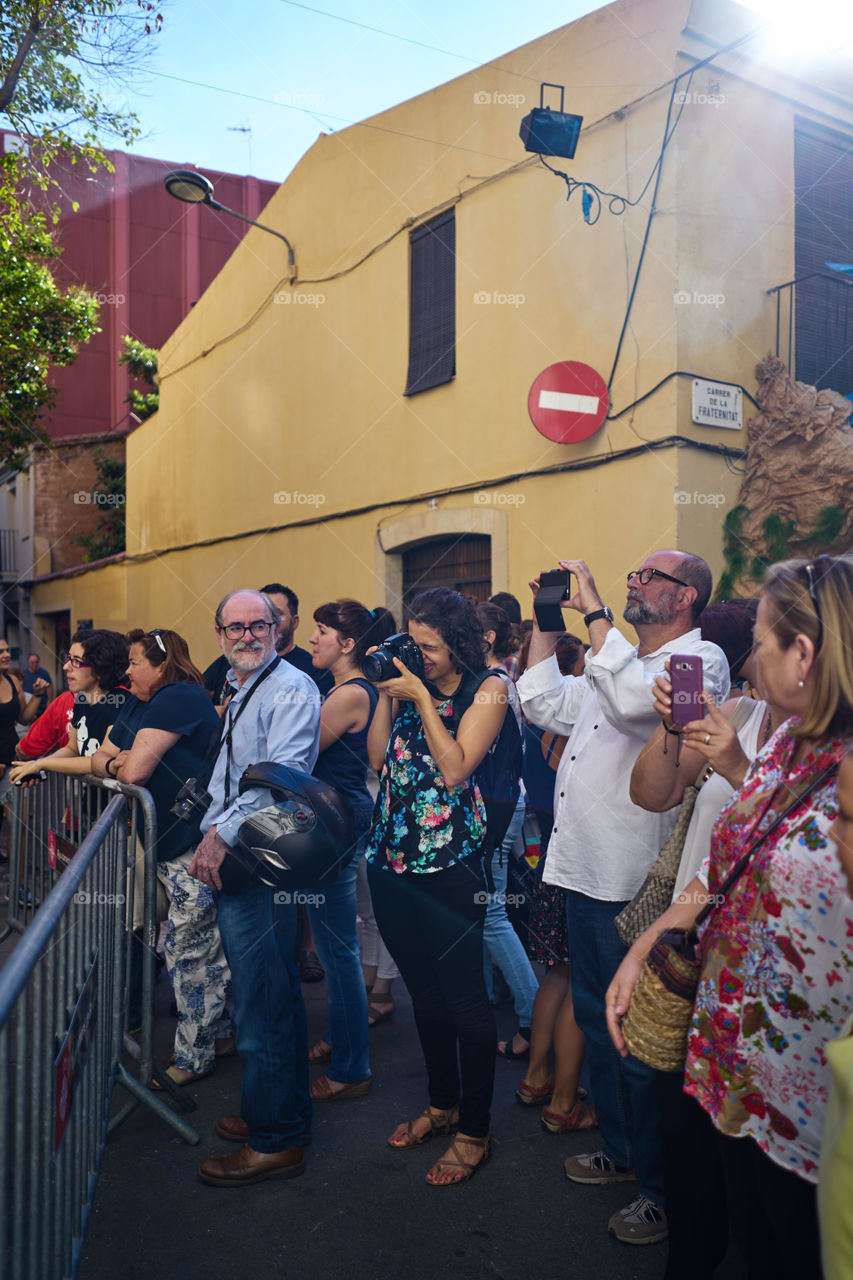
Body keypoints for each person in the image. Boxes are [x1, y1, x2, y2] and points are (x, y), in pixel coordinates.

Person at [607, 555, 853, 1278]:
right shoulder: (786, 741)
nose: (748, 659)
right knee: (741, 1236)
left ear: (802, 655)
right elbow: (720, 867)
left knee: (793, 1253)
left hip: (806, 1091)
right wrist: (642, 946)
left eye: (762, 640)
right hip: (730, 1055)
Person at [517, 552, 729, 1245]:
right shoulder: (617, 661)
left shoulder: (700, 664)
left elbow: (640, 704)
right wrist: (549, 620)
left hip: (635, 883)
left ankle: (659, 1190)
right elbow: (542, 701)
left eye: (649, 575)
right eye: (632, 573)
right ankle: (620, 1150)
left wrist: (597, 613)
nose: (633, 579)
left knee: (638, 1044)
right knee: (593, 1018)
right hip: (580, 870)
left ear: (686, 595)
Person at [366, 587, 507, 1187]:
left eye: (430, 647)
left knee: (467, 1001)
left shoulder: (489, 688)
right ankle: (441, 1104)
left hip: (451, 868)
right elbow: (377, 759)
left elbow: (455, 769)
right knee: (425, 995)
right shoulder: (406, 685)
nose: (419, 656)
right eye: (414, 643)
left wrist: (422, 698)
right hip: (392, 860)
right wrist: (384, 695)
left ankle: (474, 1130)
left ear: (460, 644)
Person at [188, 589, 321, 1186]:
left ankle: (275, 1140)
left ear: (278, 629)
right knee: (272, 991)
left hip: (260, 860)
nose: (246, 635)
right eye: (235, 627)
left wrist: (220, 834)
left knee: (262, 1000)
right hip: (247, 854)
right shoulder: (247, 685)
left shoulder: (290, 687)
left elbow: (281, 779)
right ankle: (279, 1109)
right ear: (219, 635)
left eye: (258, 625)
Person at [92, 628, 228, 1087]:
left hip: (190, 846)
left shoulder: (177, 697)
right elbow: (102, 761)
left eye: (134, 662)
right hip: (166, 844)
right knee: (179, 946)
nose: (126, 671)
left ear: (160, 664)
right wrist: (115, 764)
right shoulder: (148, 702)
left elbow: (131, 770)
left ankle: (194, 1057)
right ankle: (213, 1036)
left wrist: (118, 765)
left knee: (192, 953)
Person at [301, 599, 395, 1099]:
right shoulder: (342, 688)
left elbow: (298, 754)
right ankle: (341, 1037)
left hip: (335, 822)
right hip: (337, 815)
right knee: (339, 941)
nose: (313, 639)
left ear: (348, 644)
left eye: (321, 631)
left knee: (338, 948)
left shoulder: (348, 695)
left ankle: (351, 1068)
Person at [514, 632, 592, 1135]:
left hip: (546, 850)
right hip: (572, 854)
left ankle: (534, 1076)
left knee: (555, 975)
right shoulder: (567, 722)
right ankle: (564, 1098)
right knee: (579, 981)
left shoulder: (531, 715)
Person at [475, 601, 539, 1062]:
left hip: (497, 807)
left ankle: (534, 1019)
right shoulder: (494, 680)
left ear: (488, 639)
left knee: (492, 915)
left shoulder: (496, 683)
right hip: (498, 804)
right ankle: (488, 1004)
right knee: (480, 913)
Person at [10, 631, 128, 786]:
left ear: (101, 667)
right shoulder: (82, 698)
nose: (66, 666)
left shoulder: (121, 701)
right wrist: (37, 767)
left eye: (77, 661)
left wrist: (41, 764)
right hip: (89, 802)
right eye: (68, 659)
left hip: (116, 805)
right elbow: (72, 749)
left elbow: (99, 760)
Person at [22, 651, 54, 715]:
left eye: (36, 662)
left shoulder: (44, 673)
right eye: (32, 662)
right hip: (28, 707)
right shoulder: (23, 673)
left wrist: (48, 703)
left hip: (42, 706)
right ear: (28, 662)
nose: (34, 664)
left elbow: (50, 687)